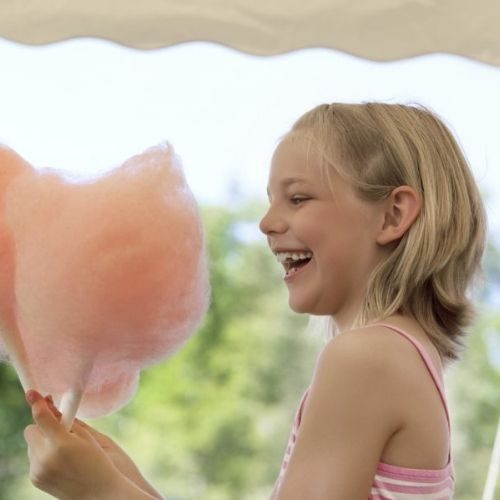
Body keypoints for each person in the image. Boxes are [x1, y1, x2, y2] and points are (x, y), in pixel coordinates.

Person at [24, 102, 486, 499]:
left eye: (298, 198)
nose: (266, 222)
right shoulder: (401, 355)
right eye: (270, 200)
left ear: (393, 214)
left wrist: (101, 492)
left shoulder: (366, 357)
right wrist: (127, 480)